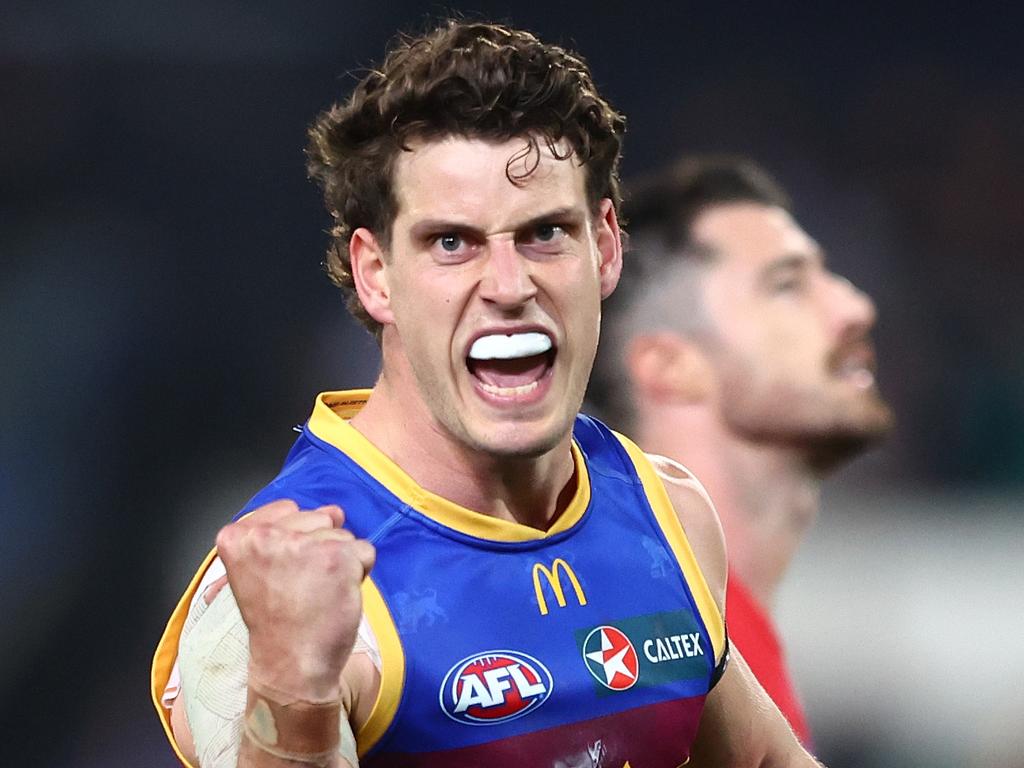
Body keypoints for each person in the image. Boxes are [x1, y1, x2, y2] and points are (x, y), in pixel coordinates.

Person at [151, 21, 825, 768]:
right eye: (452, 242)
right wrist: (294, 689)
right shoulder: (274, 601)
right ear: (376, 274)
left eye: (544, 233)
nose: (508, 286)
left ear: (605, 247)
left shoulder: (668, 514)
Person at [588, 155, 894, 745]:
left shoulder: (722, 642)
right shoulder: (651, 649)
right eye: (787, 284)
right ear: (671, 367)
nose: (856, 308)